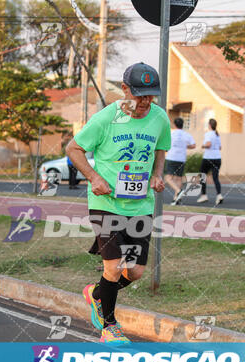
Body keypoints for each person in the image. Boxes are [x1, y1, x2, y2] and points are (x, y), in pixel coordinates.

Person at [66, 62, 170, 345]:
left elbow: (161, 148)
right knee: (112, 267)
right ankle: (109, 327)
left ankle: (97, 295)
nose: (145, 101)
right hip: (107, 202)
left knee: (135, 271)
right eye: (139, 95)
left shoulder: (160, 118)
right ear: (124, 90)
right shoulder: (106, 118)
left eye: (150, 95)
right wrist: (93, 177)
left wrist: (157, 174)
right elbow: (73, 148)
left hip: (140, 205)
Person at [164, 117, 195, 205]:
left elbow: (166, 145)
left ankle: (178, 190)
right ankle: (176, 199)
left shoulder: (171, 133)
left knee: (168, 178)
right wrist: (185, 146)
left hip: (171, 157)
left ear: (174, 124)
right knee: (179, 178)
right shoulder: (186, 134)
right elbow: (193, 145)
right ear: (183, 125)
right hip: (181, 158)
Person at [197, 119, 223, 205]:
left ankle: (204, 195)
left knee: (202, 175)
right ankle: (219, 195)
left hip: (208, 158)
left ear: (210, 125)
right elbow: (220, 147)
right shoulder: (217, 135)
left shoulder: (208, 134)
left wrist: (203, 146)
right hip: (217, 158)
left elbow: (208, 144)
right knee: (215, 178)